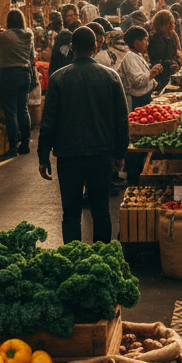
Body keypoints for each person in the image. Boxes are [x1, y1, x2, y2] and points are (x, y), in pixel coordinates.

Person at [38, 27, 129, 243]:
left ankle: (72, 259)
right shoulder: (111, 77)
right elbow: (121, 120)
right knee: (100, 209)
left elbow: (48, 122)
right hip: (102, 153)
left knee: (70, 212)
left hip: (69, 156)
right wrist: (120, 153)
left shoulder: (59, 79)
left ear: (72, 48)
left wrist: (43, 156)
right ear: (96, 46)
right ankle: (102, 258)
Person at [0, 9, 37, 156]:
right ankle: (26, 143)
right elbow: (31, 56)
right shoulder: (28, 34)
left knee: (10, 111)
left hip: (7, 74)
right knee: (23, 109)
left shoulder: (4, 36)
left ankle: (13, 147)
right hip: (24, 74)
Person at [149, 9, 182, 93]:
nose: (171, 26)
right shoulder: (155, 39)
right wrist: (168, 64)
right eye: (168, 24)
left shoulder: (172, 37)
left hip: (172, 74)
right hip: (161, 76)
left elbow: (175, 53)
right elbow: (154, 59)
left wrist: (177, 63)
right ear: (161, 24)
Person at [48, 4, 82, 77]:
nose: (73, 17)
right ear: (64, 17)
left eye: (75, 15)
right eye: (70, 15)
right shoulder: (63, 34)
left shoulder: (80, 29)